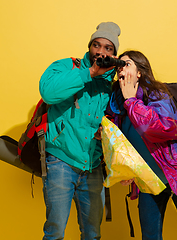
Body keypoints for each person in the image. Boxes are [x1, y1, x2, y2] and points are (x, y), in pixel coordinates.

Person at [106, 50, 177, 240]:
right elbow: (120, 144)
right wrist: (126, 170)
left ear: (139, 72)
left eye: (127, 63)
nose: (121, 68)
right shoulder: (116, 104)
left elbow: (160, 129)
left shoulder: (158, 95)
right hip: (148, 181)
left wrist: (132, 101)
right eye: (119, 65)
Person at [39, 22, 121, 240]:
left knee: (93, 234)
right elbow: (48, 93)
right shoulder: (68, 67)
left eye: (108, 48)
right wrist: (91, 72)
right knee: (55, 232)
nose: (101, 52)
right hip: (60, 161)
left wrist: (105, 133)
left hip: (93, 166)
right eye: (96, 45)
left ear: (114, 55)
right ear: (89, 47)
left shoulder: (112, 83)